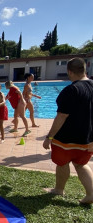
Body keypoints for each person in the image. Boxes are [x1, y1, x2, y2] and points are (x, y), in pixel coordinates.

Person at [43, 57, 93, 204]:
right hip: (87, 138)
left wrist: (49, 137)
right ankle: (91, 194)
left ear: (69, 72)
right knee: (81, 164)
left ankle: (59, 189)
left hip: (66, 139)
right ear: (84, 69)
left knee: (62, 163)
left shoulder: (71, 90)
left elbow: (62, 116)